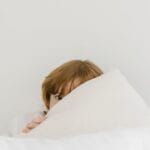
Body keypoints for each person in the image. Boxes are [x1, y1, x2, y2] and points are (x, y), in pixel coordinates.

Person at [22, 59, 103, 133]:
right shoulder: (29, 121)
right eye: (59, 98)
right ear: (48, 98)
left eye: (74, 98)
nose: (63, 105)